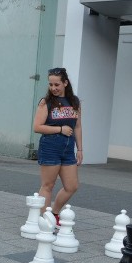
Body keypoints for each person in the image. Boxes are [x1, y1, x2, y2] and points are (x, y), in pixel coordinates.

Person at [32, 67, 82, 225]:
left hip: (68, 149)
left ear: (65, 83)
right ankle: (45, 221)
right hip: (50, 146)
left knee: (72, 186)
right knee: (48, 185)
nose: (53, 88)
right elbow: (37, 127)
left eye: (57, 84)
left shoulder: (74, 102)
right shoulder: (45, 103)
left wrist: (80, 149)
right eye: (50, 84)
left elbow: (78, 127)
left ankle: (54, 213)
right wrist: (60, 129)